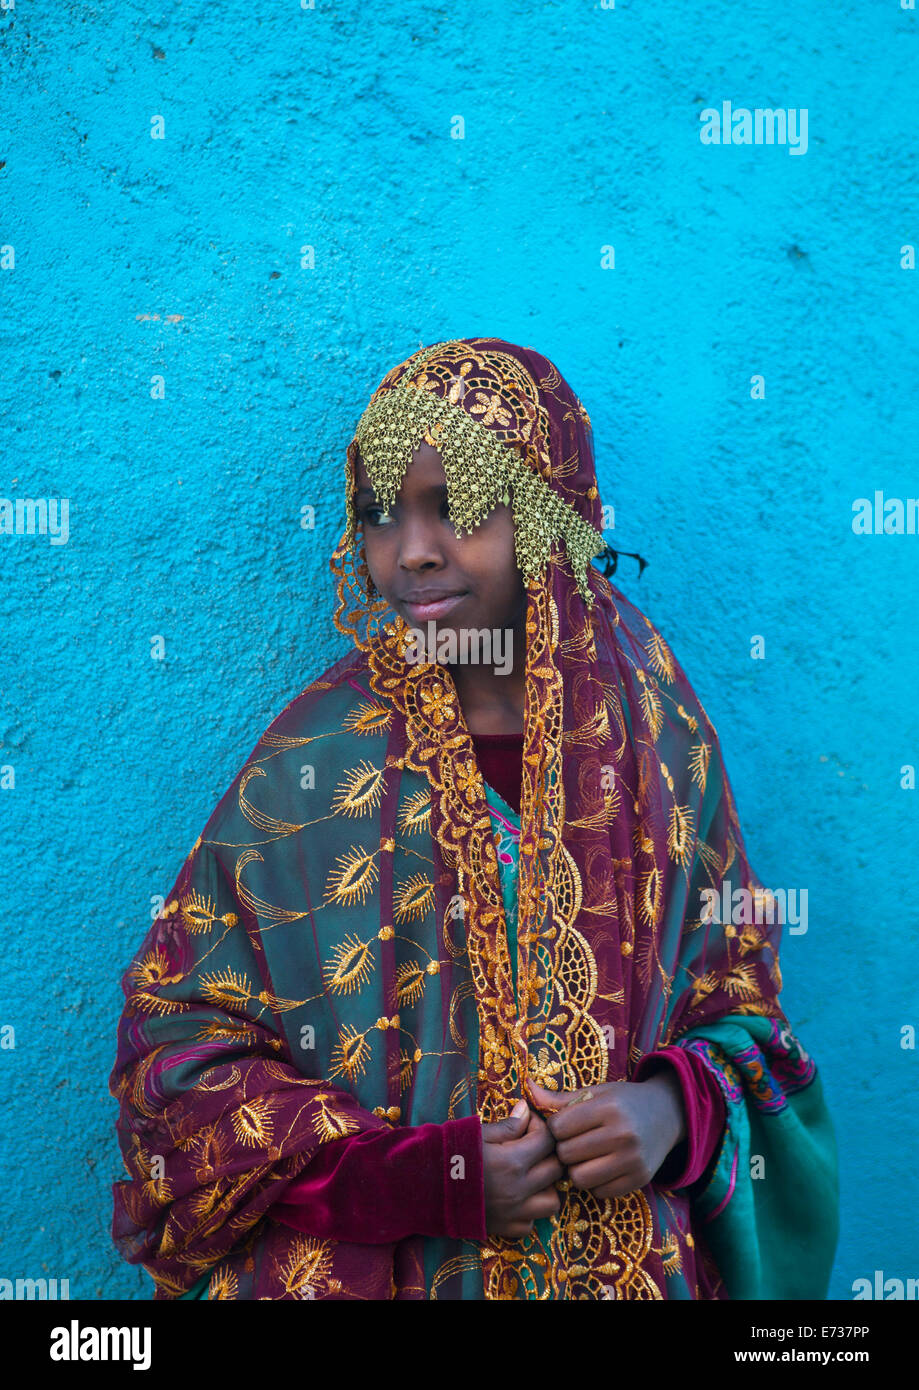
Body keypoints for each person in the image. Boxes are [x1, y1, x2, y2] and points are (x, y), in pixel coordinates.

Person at [108, 336, 838, 1300]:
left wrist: (671, 1110)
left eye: (457, 508)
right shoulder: (316, 766)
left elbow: (741, 1014)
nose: (412, 550)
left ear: (548, 518)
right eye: (378, 516)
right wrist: (428, 1176)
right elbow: (177, 1045)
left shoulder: (656, 739)